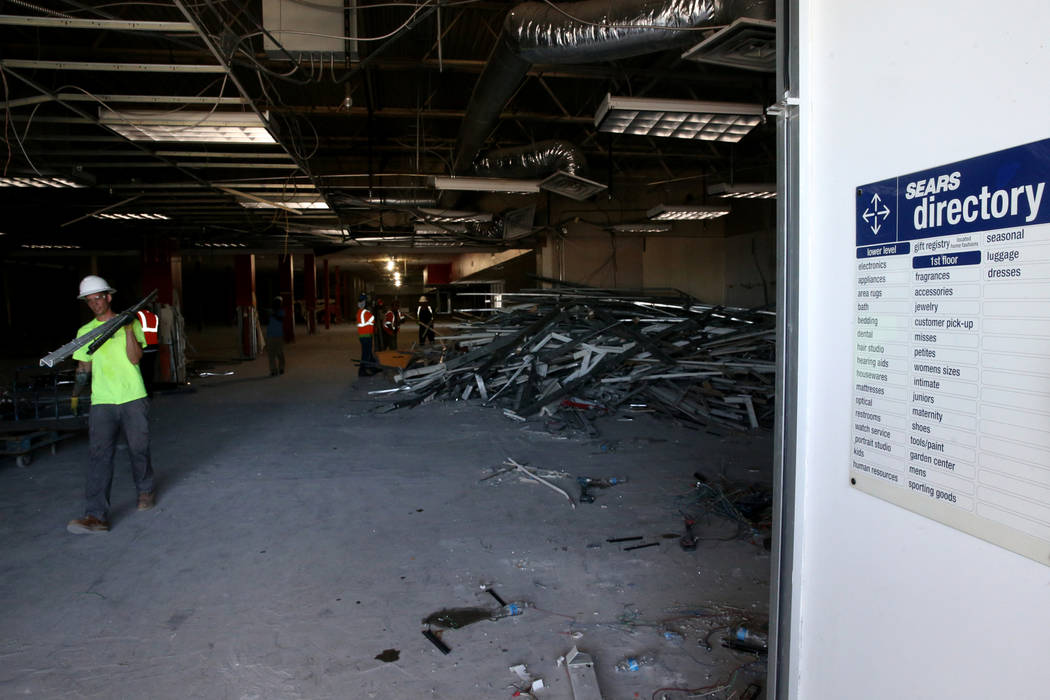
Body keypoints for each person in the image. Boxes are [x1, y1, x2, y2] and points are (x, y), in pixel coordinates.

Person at [67, 275, 155, 535]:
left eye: (99, 298)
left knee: (139, 448)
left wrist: (128, 328)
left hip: (132, 397)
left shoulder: (130, 323)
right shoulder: (85, 333)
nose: (95, 304)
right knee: (99, 456)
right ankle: (96, 516)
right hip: (102, 401)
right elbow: (84, 367)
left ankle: (145, 490)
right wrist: (75, 393)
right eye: (90, 301)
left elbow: (136, 358)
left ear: (109, 297)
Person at [356, 293, 379, 376]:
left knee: (368, 353)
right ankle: (362, 371)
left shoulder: (361, 312)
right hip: (365, 336)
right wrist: (374, 309)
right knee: (366, 354)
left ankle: (373, 367)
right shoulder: (364, 312)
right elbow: (372, 319)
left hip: (366, 335)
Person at [265, 295, 286, 376]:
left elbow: (280, 319)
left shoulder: (281, 311)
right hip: (270, 335)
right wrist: (268, 314)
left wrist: (272, 314)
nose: (276, 303)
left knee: (279, 353)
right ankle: (273, 370)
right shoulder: (271, 311)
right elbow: (267, 321)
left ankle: (281, 368)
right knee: (271, 354)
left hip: (278, 335)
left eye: (278, 302)